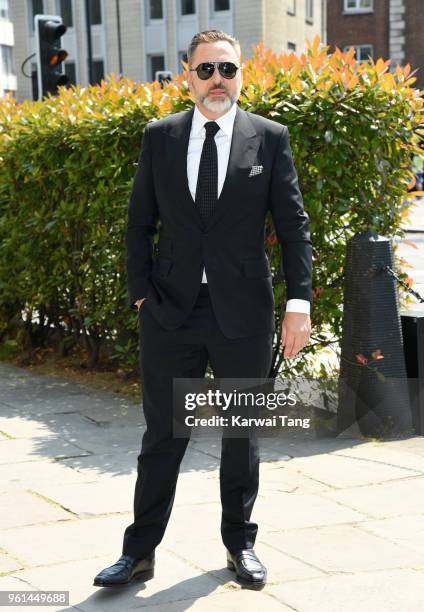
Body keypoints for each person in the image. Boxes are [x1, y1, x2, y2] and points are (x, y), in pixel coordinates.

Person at [94, 29, 312, 590]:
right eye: (207, 69)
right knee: (163, 434)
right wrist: (142, 294)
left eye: (229, 69)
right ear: (187, 76)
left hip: (243, 312)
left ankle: (241, 546)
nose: (218, 80)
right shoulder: (159, 137)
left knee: (241, 434)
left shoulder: (270, 138)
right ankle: (138, 552)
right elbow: (138, 224)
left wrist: (297, 305)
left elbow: (293, 229)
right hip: (170, 311)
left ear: (242, 75)